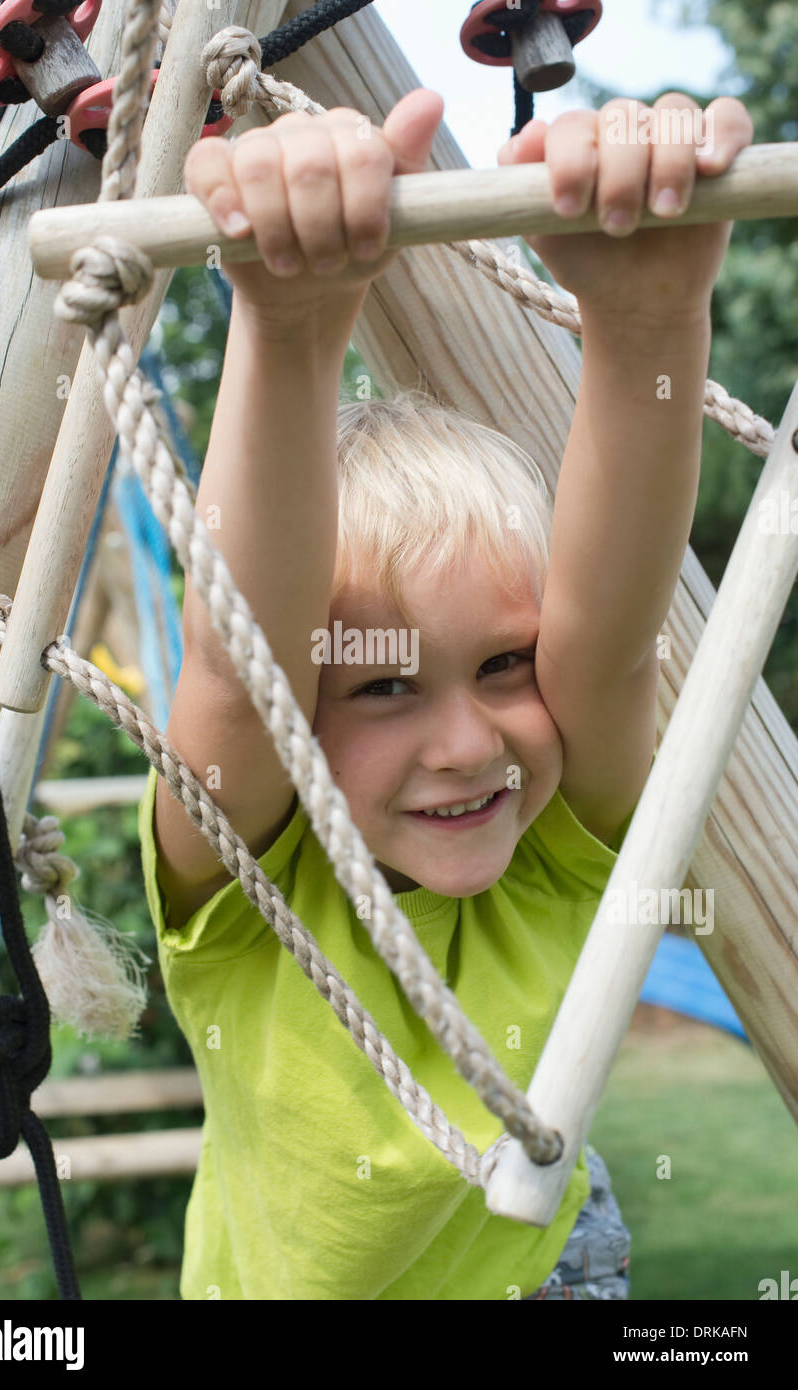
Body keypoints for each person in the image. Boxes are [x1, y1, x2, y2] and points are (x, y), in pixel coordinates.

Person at [137, 87, 752, 1299]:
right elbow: (239, 658)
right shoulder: (258, 889)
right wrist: (295, 329)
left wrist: (646, 320)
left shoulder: (562, 849)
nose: (469, 742)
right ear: (300, 717)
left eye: (503, 664)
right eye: (379, 689)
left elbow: (610, 638)